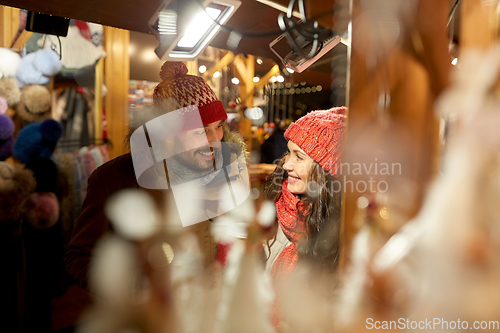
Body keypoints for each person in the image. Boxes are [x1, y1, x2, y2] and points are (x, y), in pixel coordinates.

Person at [64, 62, 248, 289]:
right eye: (201, 131)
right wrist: (137, 288)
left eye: (218, 126)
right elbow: (80, 257)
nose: (215, 140)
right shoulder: (114, 179)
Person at [263, 107, 346, 325]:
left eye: (299, 157)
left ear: (327, 170)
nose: (286, 165)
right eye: (289, 152)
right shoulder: (272, 207)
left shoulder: (343, 231)